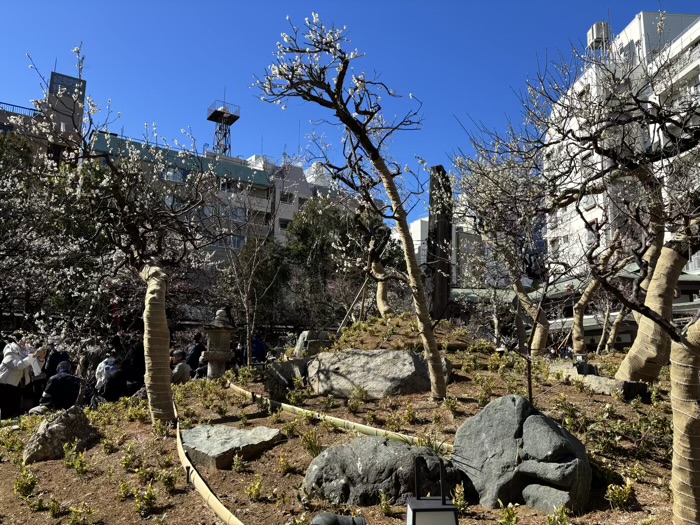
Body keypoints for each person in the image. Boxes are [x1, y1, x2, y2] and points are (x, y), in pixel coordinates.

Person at [0, 337, 46, 419]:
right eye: (25, 339)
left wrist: (41, 358)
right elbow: (18, 365)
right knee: (6, 411)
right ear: (17, 340)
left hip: (17, 385)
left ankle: (12, 429)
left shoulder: (25, 352)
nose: (27, 342)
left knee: (15, 411)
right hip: (4, 384)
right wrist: (34, 355)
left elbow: (35, 369)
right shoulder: (10, 349)